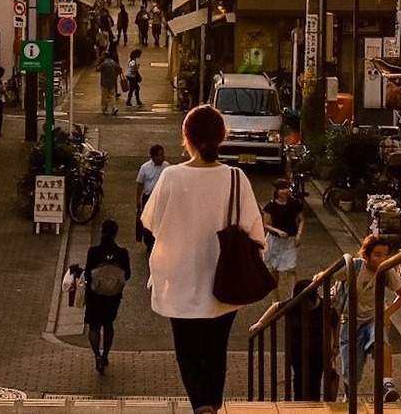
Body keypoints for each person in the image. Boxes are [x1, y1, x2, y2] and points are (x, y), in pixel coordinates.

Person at [141, 105, 266, 414]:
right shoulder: (236, 177)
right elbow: (255, 230)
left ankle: (202, 407)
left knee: (188, 351)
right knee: (216, 349)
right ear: (222, 136)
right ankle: (213, 405)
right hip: (225, 282)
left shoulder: (171, 176)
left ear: (187, 137)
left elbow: (151, 223)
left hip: (180, 280)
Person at [335, 233, 401, 403]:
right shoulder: (355, 266)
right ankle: (349, 396)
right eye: (377, 255)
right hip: (351, 320)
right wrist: (320, 277)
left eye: (386, 255)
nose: (382, 259)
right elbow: (331, 275)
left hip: (373, 318)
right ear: (366, 255)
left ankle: (387, 384)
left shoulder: (386, 271)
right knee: (351, 367)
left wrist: (386, 313)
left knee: (381, 340)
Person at [83, 219, 131, 374]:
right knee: (108, 325)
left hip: (95, 295)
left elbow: (88, 274)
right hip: (113, 296)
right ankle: (105, 355)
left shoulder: (93, 251)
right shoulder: (122, 253)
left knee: (94, 326)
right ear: (115, 233)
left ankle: (97, 355)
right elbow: (127, 275)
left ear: (101, 231)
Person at [262, 178, 305, 302]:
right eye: (282, 189)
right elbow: (266, 224)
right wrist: (278, 231)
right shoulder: (270, 206)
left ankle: (294, 297)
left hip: (291, 240)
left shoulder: (295, 204)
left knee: (290, 269)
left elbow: (301, 220)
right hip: (274, 241)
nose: (285, 191)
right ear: (277, 190)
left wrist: (299, 234)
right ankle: (275, 297)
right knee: (274, 269)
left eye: (287, 188)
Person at [135, 143, 168, 254]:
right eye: (160, 155)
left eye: (163, 154)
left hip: (161, 197)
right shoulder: (145, 168)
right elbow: (140, 184)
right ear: (154, 157)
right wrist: (138, 199)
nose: (163, 157)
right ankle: (149, 243)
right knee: (148, 221)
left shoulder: (166, 167)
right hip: (148, 197)